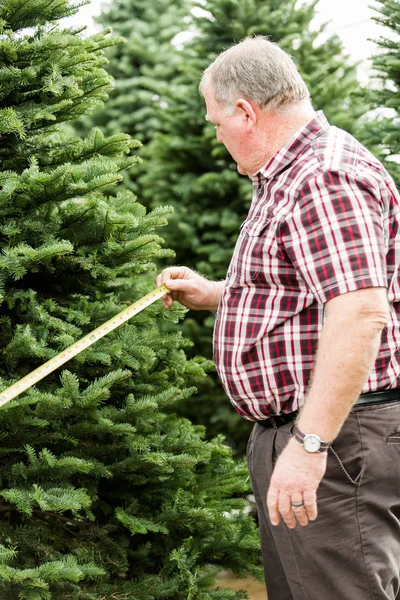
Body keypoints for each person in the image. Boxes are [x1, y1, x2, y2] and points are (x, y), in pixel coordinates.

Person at [156, 36, 400, 600]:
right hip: (309, 439)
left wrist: (310, 446)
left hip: (336, 445)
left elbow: (361, 311)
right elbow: (301, 286)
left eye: (217, 121)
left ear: (246, 111)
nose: (216, 136)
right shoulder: (288, 176)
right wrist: (218, 294)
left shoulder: (324, 176)